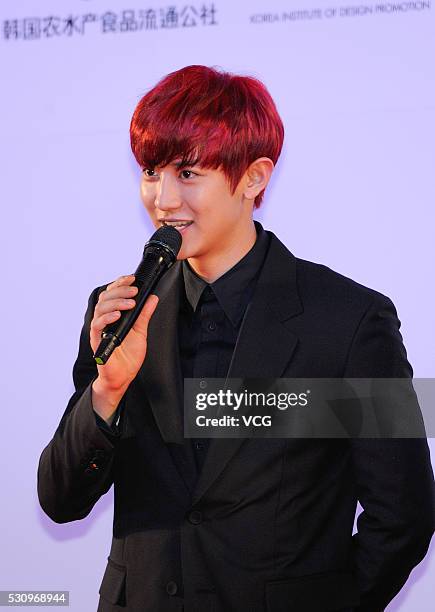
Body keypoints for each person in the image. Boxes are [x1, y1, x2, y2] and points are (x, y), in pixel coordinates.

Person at [37, 65, 434, 612]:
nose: (163, 198)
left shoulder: (348, 320)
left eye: (188, 173)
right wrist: (106, 390)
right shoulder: (118, 309)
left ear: (253, 177)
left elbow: (404, 514)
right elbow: (60, 499)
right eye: (151, 171)